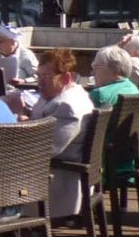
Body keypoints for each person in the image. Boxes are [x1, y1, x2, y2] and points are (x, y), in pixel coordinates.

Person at [26, 49, 95, 220]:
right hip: (59, 172)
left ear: (65, 78)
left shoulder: (68, 105)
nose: (39, 83)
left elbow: (47, 149)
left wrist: (14, 133)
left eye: (46, 77)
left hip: (60, 181)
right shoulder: (68, 94)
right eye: (38, 76)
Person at [88, 46, 139, 110]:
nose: (93, 73)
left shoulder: (99, 94)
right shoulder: (133, 88)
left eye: (96, 67)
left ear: (114, 69)